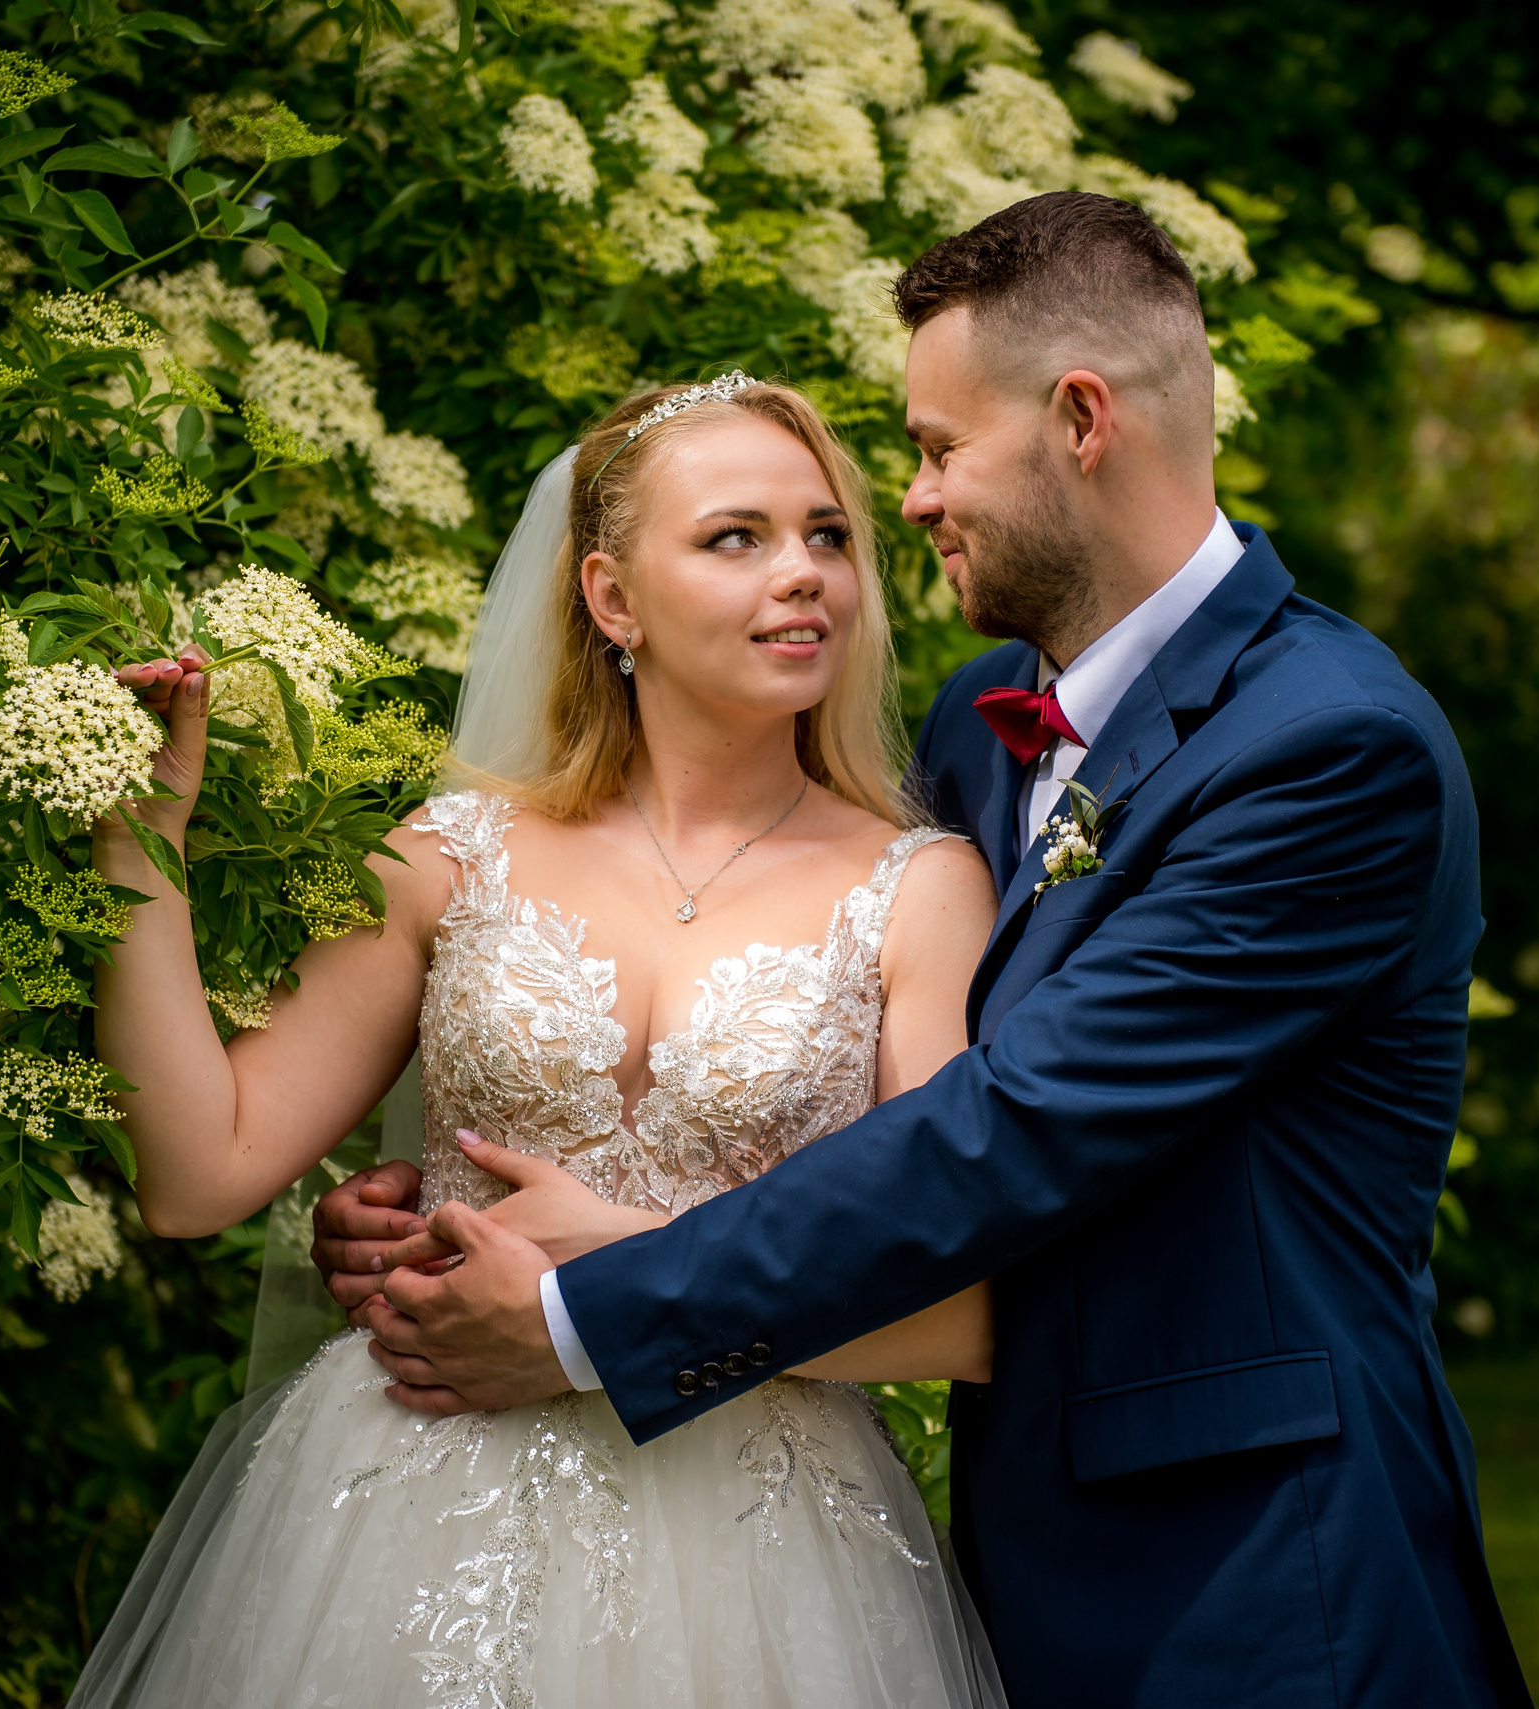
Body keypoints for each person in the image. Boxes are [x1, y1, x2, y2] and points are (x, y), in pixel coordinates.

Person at [322, 192, 1534, 1707]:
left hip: (1264, 1575)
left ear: (1080, 419)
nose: (909, 500)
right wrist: (449, 1216)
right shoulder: (980, 721)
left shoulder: (1331, 748)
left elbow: (1005, 1128)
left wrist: (582, 1306)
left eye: (938, 447)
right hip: (1016, 1552)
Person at [69, 375, 1010, 1708]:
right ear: (612, 598)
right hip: (406, 1506)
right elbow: (197, 1167)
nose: (803, 574)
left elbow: (962, 1310)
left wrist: (611, 1275)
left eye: (828, 535)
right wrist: (141, 852)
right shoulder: (449, 855)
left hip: (762, 1550)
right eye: (736, 536)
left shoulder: (921, 890)